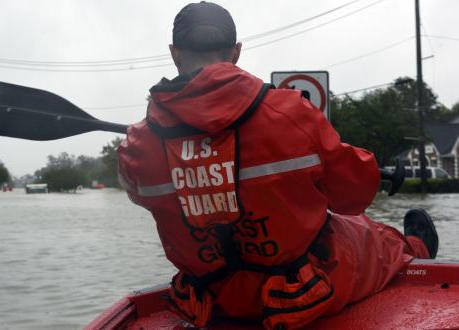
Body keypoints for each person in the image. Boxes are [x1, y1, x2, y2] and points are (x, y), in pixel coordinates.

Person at [117, 2, 438, 329]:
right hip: (298, 294)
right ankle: (418, 246)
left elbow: (140, 195)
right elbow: (353, 198)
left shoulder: (137, 146)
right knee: (371, 235)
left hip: (210, 298)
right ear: (236, 52)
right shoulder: (289, 113)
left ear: (175, 54)